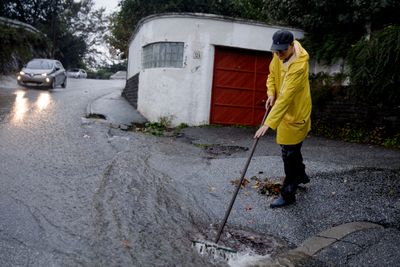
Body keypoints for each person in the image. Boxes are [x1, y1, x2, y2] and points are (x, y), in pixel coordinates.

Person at [254, 29, 312, 208]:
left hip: (296, 114)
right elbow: (272, 76)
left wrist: (268, 123)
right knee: (290, 151)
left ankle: (288, 195)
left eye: (282, 51)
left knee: (289, 155)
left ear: (291, 46)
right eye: (276, 50)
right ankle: (301, 175)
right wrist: (271, 93)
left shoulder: (299, 65)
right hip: (282, 111)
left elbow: (286, 97)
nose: (278, 54)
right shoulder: (278, 55)